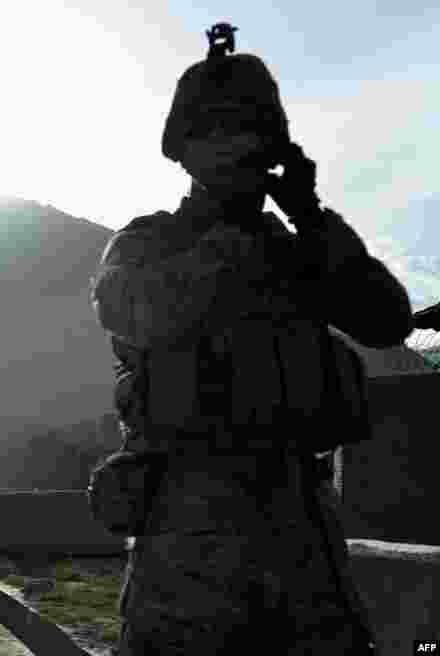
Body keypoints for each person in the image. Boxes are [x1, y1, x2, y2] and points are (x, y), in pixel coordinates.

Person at [88, 23, 412, 655]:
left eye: (251, 132)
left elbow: (386, 319)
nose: (236, 146)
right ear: (183, 151)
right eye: (216, 133)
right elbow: (135, 314)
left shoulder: (299, 251)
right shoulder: (149, 242)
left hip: (302, 524)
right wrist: (228, 233)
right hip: (191, 521)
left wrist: (310, 215)